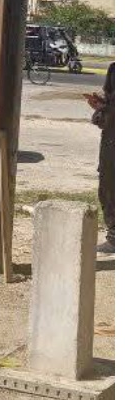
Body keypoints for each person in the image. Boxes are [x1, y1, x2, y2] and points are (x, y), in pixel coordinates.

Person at [89, 62, 114, 256]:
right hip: (111, 139)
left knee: (111, 189)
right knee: (107, 189)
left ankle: (115, 239)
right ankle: (114, 237)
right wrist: (100, 108)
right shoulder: (114, 68)